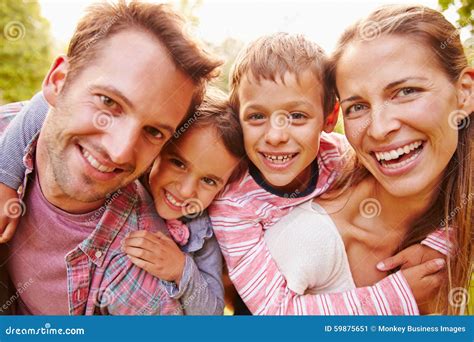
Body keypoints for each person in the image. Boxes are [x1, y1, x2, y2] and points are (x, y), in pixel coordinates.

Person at [0, 0, 221, 315]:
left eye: (154, 132)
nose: (119, 151)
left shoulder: (138, 265)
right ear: (58, 81)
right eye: (108, 102)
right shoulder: (8, 133)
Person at [208, 32, 450, 315]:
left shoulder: (338, 154)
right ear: (237, 120)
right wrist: (392, 297)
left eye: (297, 116)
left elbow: (421, 194)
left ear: (330, 117)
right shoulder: (233, 205)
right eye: (256, 116)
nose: (275, 136)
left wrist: (443, 241)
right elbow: (273, 310)